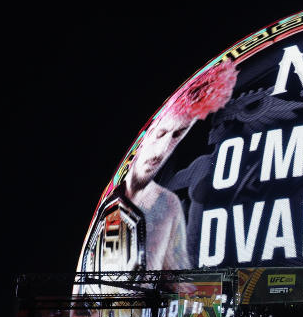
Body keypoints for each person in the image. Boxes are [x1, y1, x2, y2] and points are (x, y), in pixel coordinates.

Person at [82, 62, 237, 272]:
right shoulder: (108, 203)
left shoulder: (167, 205)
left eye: (177, 135)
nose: (162, 150)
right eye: (161, 134)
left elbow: (179, 279)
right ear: (145, 135)